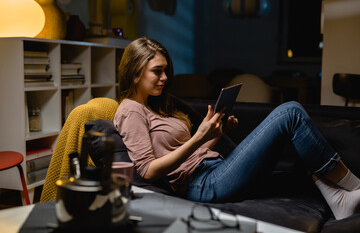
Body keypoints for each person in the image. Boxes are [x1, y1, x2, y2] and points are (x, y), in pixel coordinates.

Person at [113, 36, 360, 220]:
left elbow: (189, 154)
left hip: (213, 168)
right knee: (290, 112)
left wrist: (215, 134)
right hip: (202, 185)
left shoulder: (158, 106)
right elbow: (148, 170)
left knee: (298, 151)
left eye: (166, 70)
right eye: (157, 71)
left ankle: (340, 199)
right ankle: (354, 186)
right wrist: (198, 138)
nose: (165, 77)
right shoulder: (130, 110)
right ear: (135, 73)